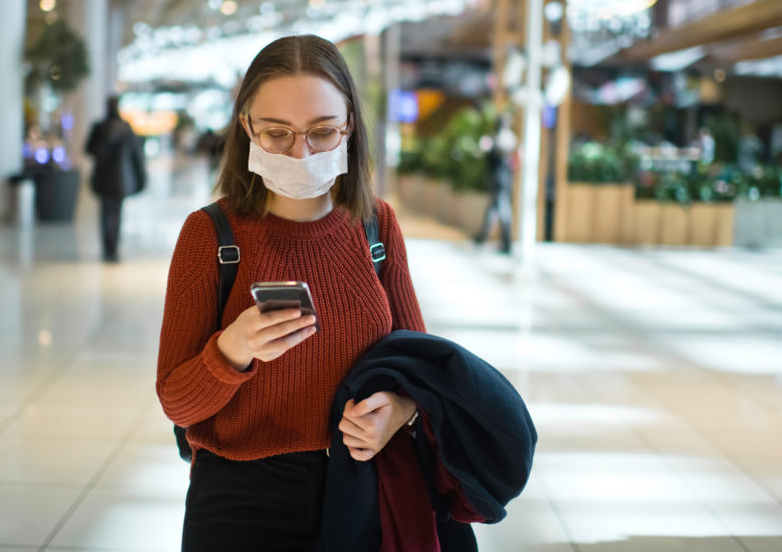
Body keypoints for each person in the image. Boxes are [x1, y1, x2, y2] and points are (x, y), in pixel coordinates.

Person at [156, 35, 426, 551]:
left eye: (323, 132)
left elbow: (418, 362)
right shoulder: (210, 236)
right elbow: (176, 400)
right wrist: (232, 349)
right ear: (246, 128)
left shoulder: (376, 226)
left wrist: (398, 408)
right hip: (242, 497)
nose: (301, 152)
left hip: (362, 485)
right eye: (277, 133)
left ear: (349, 127)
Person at [85, 95, 146, 262]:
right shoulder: (126, 128)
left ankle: (108, 248)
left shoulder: (99, 127)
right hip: (122, 178)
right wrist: (141, 178)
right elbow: (137, 156)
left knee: (106, 213)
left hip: (104, 177)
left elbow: (89, 150)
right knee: (117, 213)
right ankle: (113, 248)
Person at [474, 114, 517, 254]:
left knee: (502, 210)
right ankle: (483, 238)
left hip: (502, 180)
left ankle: (506, 244)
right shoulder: (497, 138)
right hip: (499, 179)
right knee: (493, 210)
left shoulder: (505, 138)